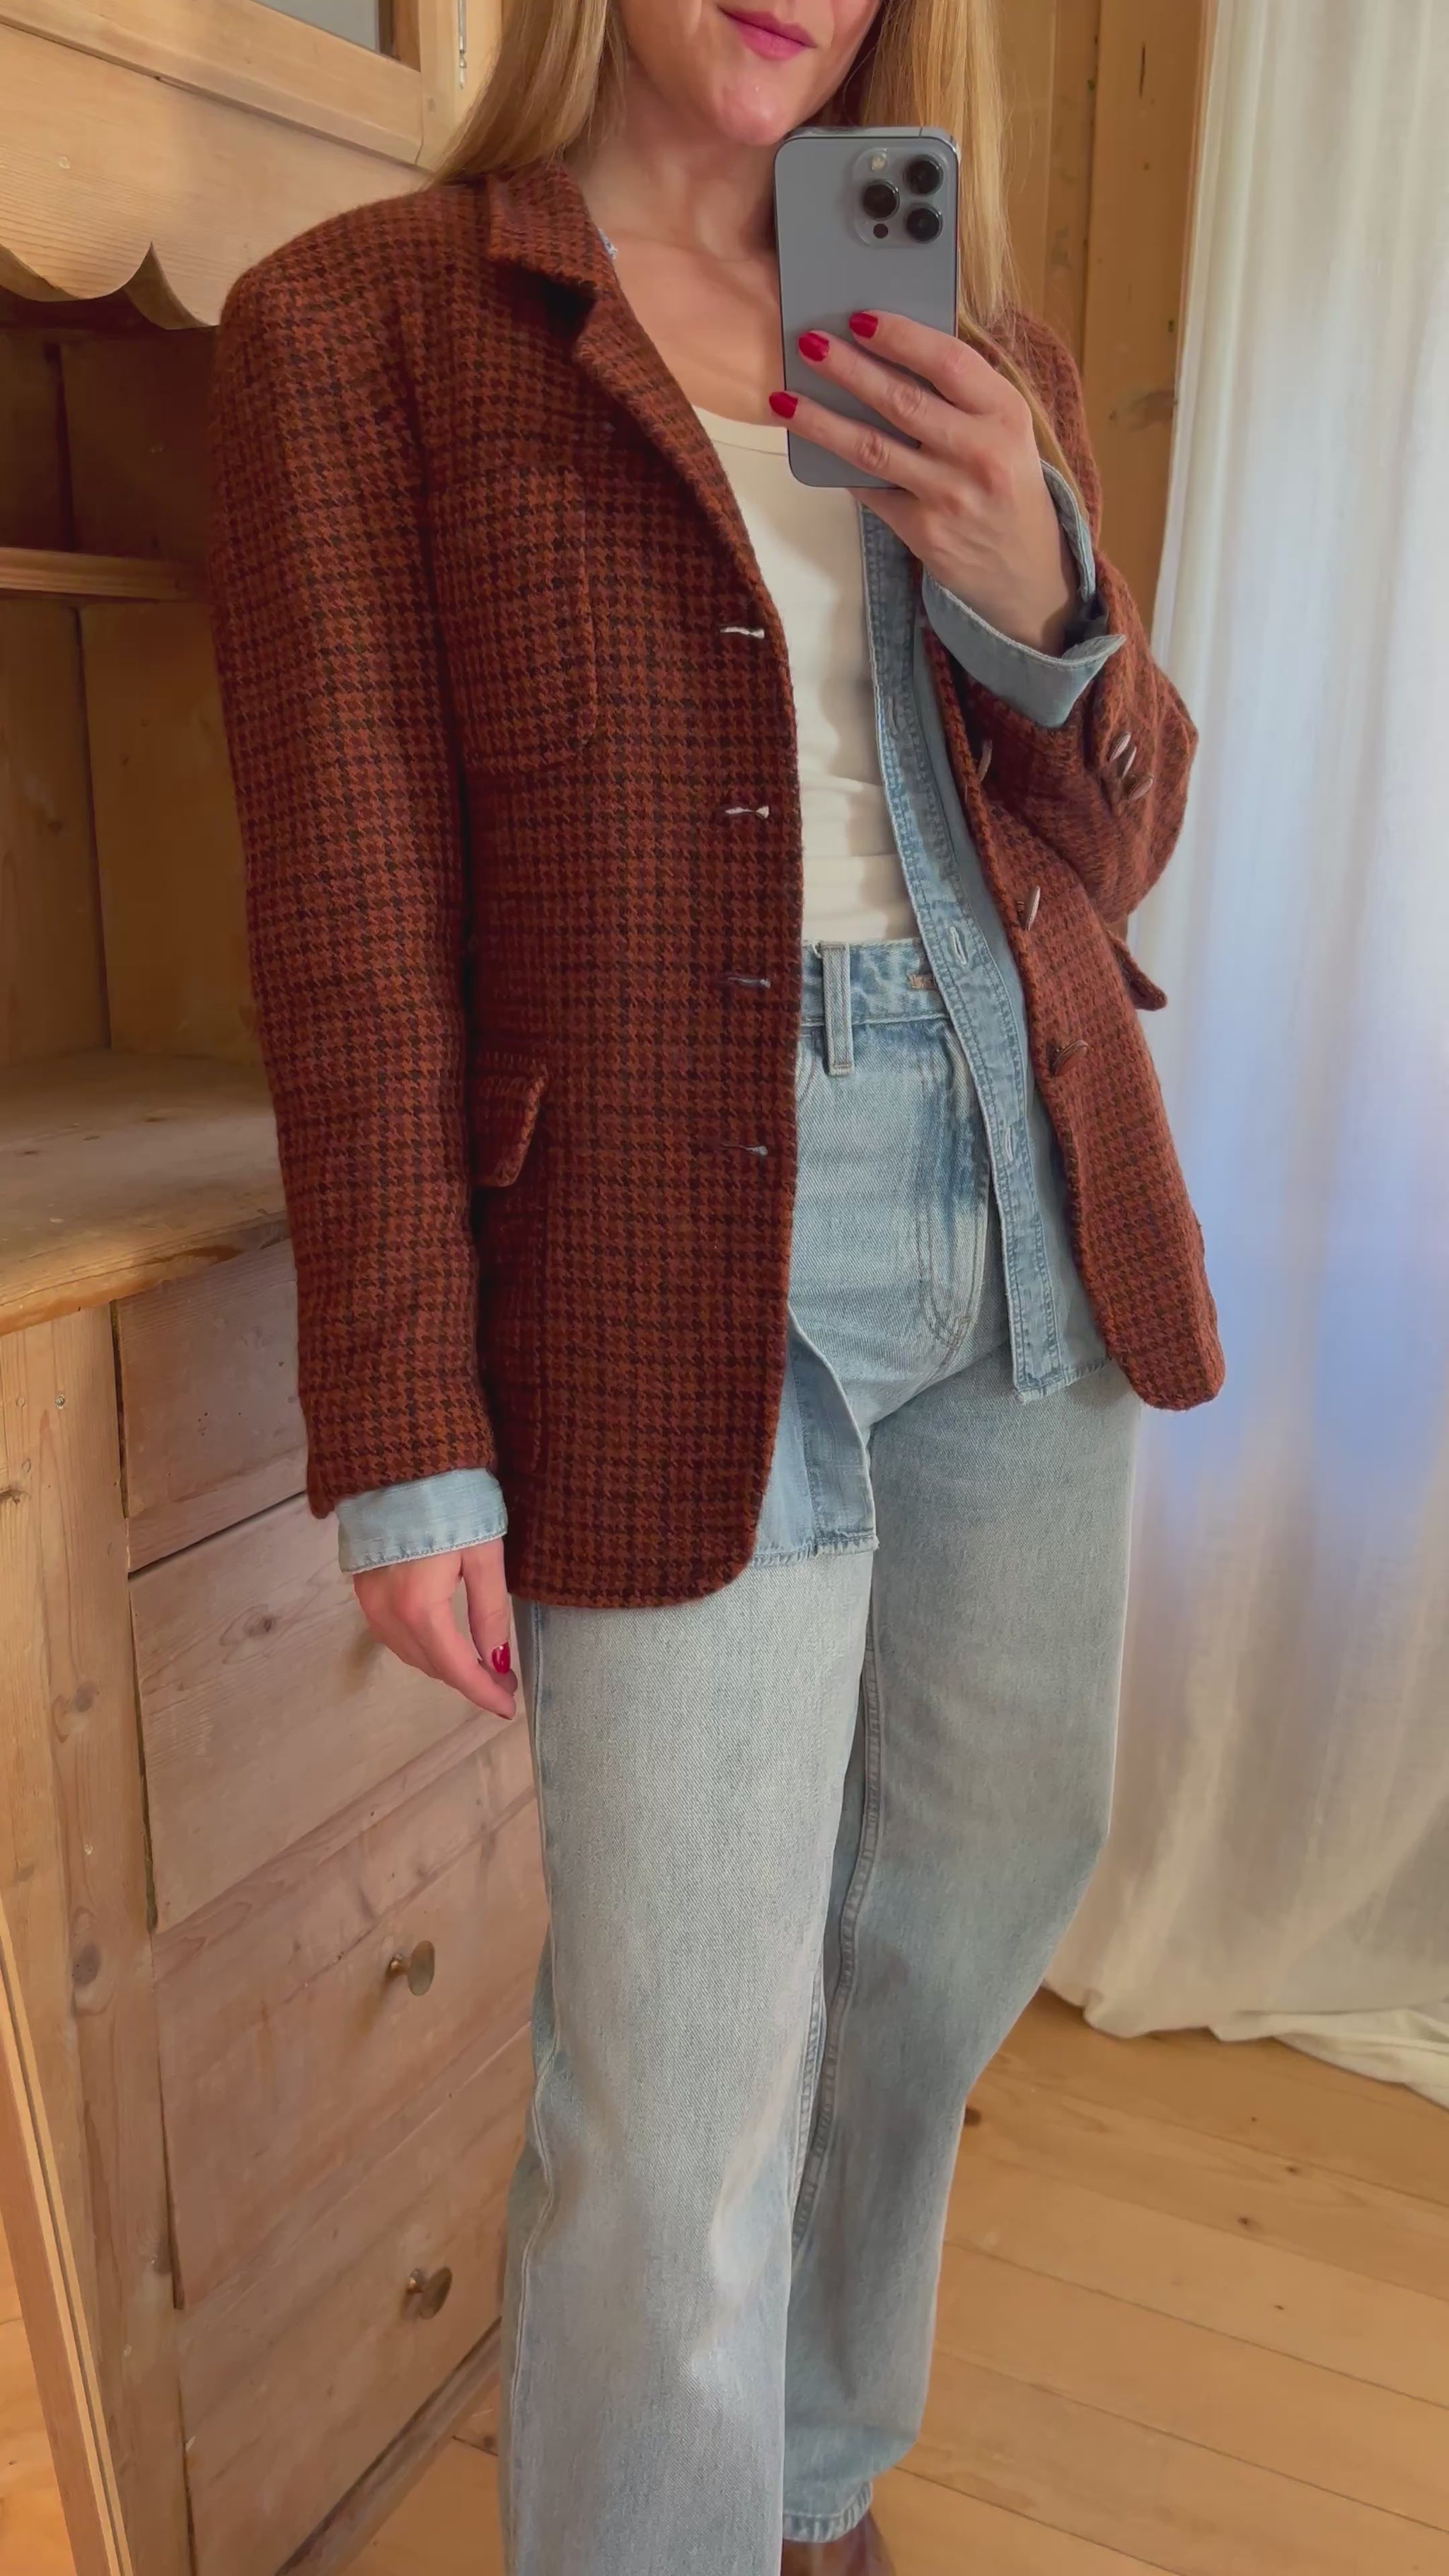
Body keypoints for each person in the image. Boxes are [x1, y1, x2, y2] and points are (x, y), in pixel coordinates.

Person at [205, 0, 1223, 2566]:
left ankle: (807, 2480)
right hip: (665, 1255)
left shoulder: (973, 350)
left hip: (1021, 1194)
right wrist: (405, 1432)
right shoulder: (357, 331)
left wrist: (1048, 604)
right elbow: (351, 924)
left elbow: (1107, 853)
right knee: (674, 2088)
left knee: (964, 1912)